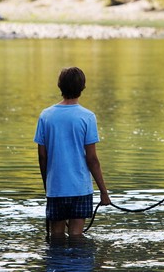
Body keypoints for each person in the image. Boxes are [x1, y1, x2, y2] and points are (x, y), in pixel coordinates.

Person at [34, 67, 111, 238]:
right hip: (80, 188)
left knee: (56, 236)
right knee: (77, 236)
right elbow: (92, 159)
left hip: (56, 188)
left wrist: (48, 185)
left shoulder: (46, 116)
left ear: (59, 85)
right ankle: (78, 265)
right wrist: (103, 192)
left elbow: (42, 156)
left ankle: (57, 264)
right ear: (83, 87)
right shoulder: (87, 117)